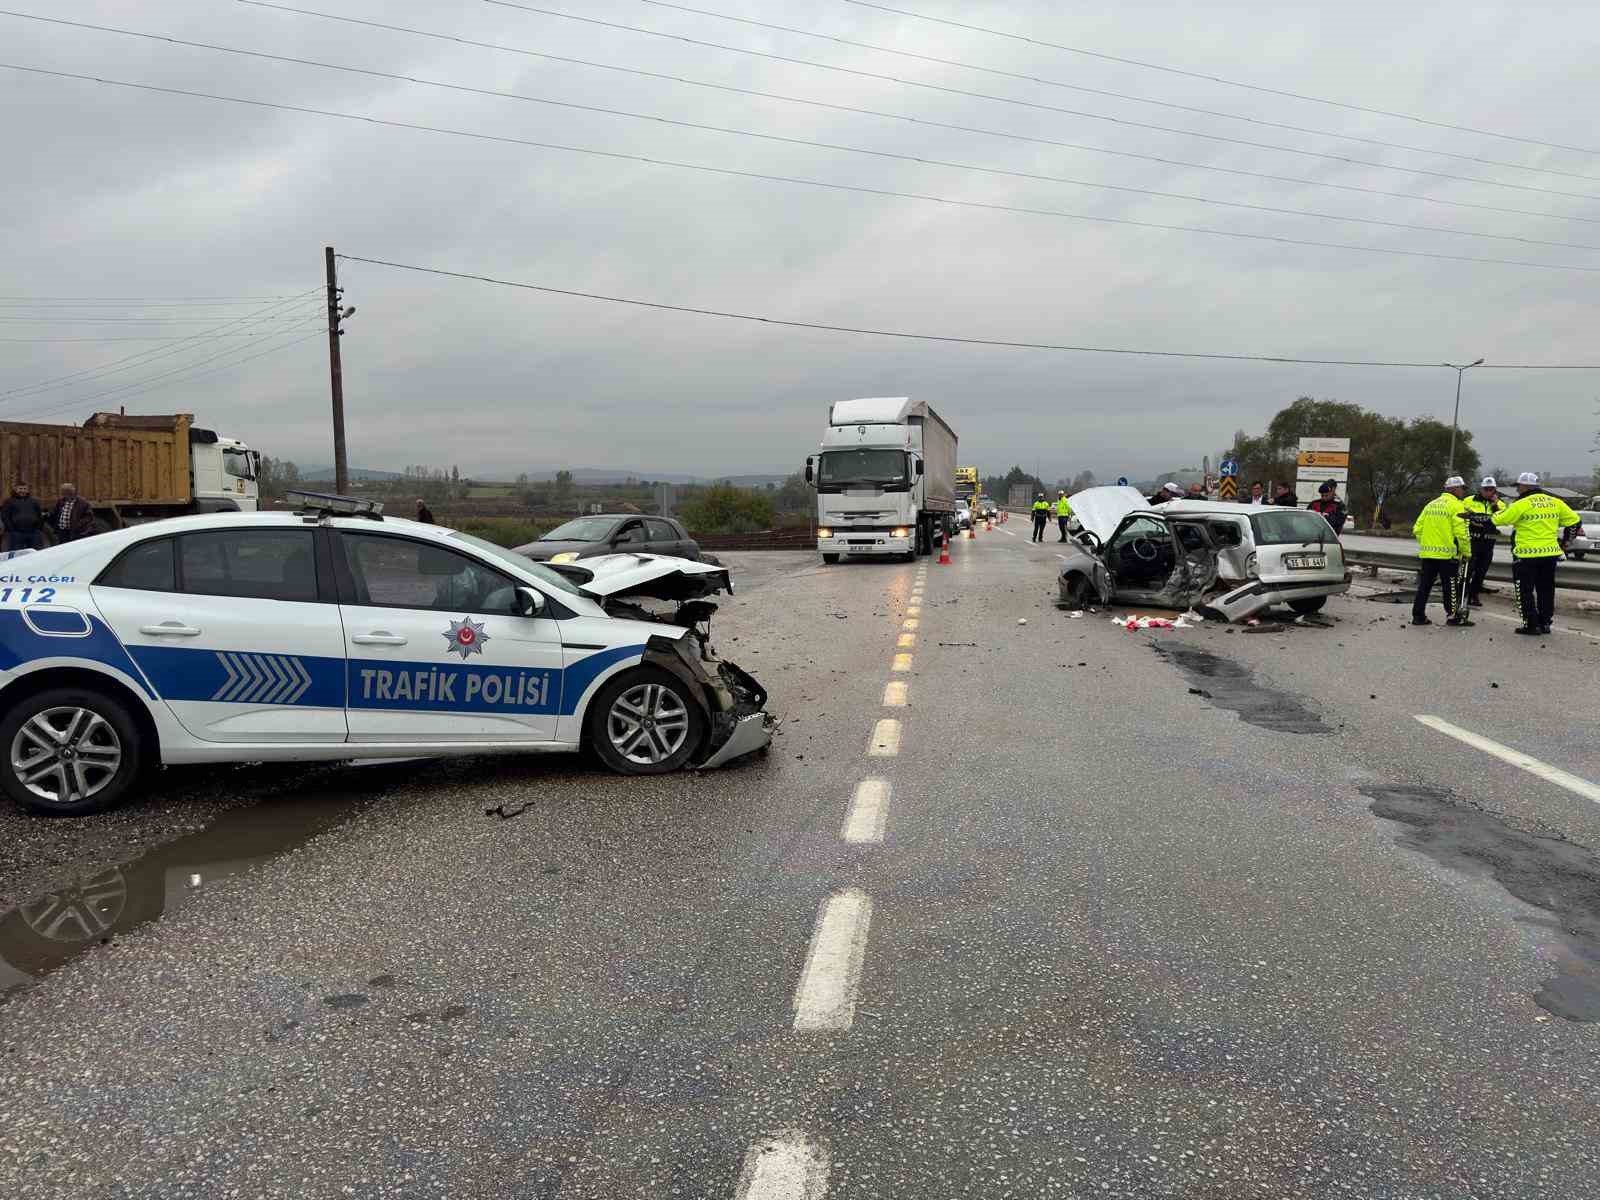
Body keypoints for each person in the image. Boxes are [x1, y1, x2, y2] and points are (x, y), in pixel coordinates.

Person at [1490, 472, 1581, 635]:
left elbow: (1499, 520)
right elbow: (1575, 521)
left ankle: (1531, 625)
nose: (1517, 490)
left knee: (1524, 591)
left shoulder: (1522, 503)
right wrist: (1566, 542)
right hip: (1549, 555)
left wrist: (1494, 510)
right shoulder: (1555, 502)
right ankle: (1545, 623)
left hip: (1526, 555)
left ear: (1525, 486)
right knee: (1546, 589)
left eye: (1518, 486)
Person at [1410, 475, 1472, 627]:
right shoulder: (1457, 506)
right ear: (1454, 489)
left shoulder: (1431, 505)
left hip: (1428, 554)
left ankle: (1418, 616)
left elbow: (1417, 529)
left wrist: (1427, 544)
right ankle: (1453, 616)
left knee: (1424, 586)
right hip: (1447, 555)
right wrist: (1467, 552)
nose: (1463, 492)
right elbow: (1462, 533)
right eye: (1462, 489)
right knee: (1450, 587)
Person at [1460, 477, 1505, 607]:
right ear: (1481, 489)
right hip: (1472, 540)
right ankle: (1462, 595)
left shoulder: (1500, 503)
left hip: (1488, 542)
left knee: (1481, 572)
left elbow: (1503, 519)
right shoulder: (1469, 500)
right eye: (1486, 489)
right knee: (1468, 570)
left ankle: (1474, 595)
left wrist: (1495, 505)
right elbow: (1461, 515)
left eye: (1492, 490)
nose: (1489, 492)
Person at [1, 482, 44, 553]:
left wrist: (38, 528)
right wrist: (12, 529)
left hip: (33, 532)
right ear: (15, 489)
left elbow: (39, 515)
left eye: (24, 489)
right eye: (20, 489)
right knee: (18, 553)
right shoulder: (9, 501)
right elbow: (5, 516)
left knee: (36, 552)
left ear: (27, 490)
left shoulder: (33, 501)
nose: (22, 491)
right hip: (17, 533)